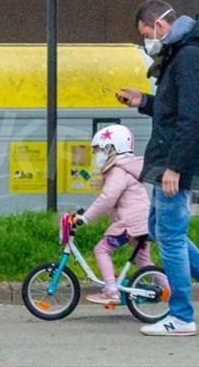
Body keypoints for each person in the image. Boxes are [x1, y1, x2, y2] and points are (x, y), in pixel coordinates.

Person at [115, 0, 199, 337]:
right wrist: (144, 101)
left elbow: (192, 119)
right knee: (159, 228)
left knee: (169, 235)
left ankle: (182, 316)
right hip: (170, 158)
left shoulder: (189, 57)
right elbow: (174, 110)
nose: (147, 40)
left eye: (146, 33)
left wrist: (174, 167)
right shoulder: (184, 52)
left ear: (159, 24)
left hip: (175, 162)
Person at [75, 124, 154, 305]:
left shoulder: (118, 170)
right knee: (143, 262)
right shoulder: (127, 169)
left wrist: (86, 218)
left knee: (101, 249)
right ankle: (171, 291)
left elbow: (108, 198)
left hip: (129, 224)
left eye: (98, 150)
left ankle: (111, 290)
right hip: (142, 222)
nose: (96, 156)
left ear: (112, 149)